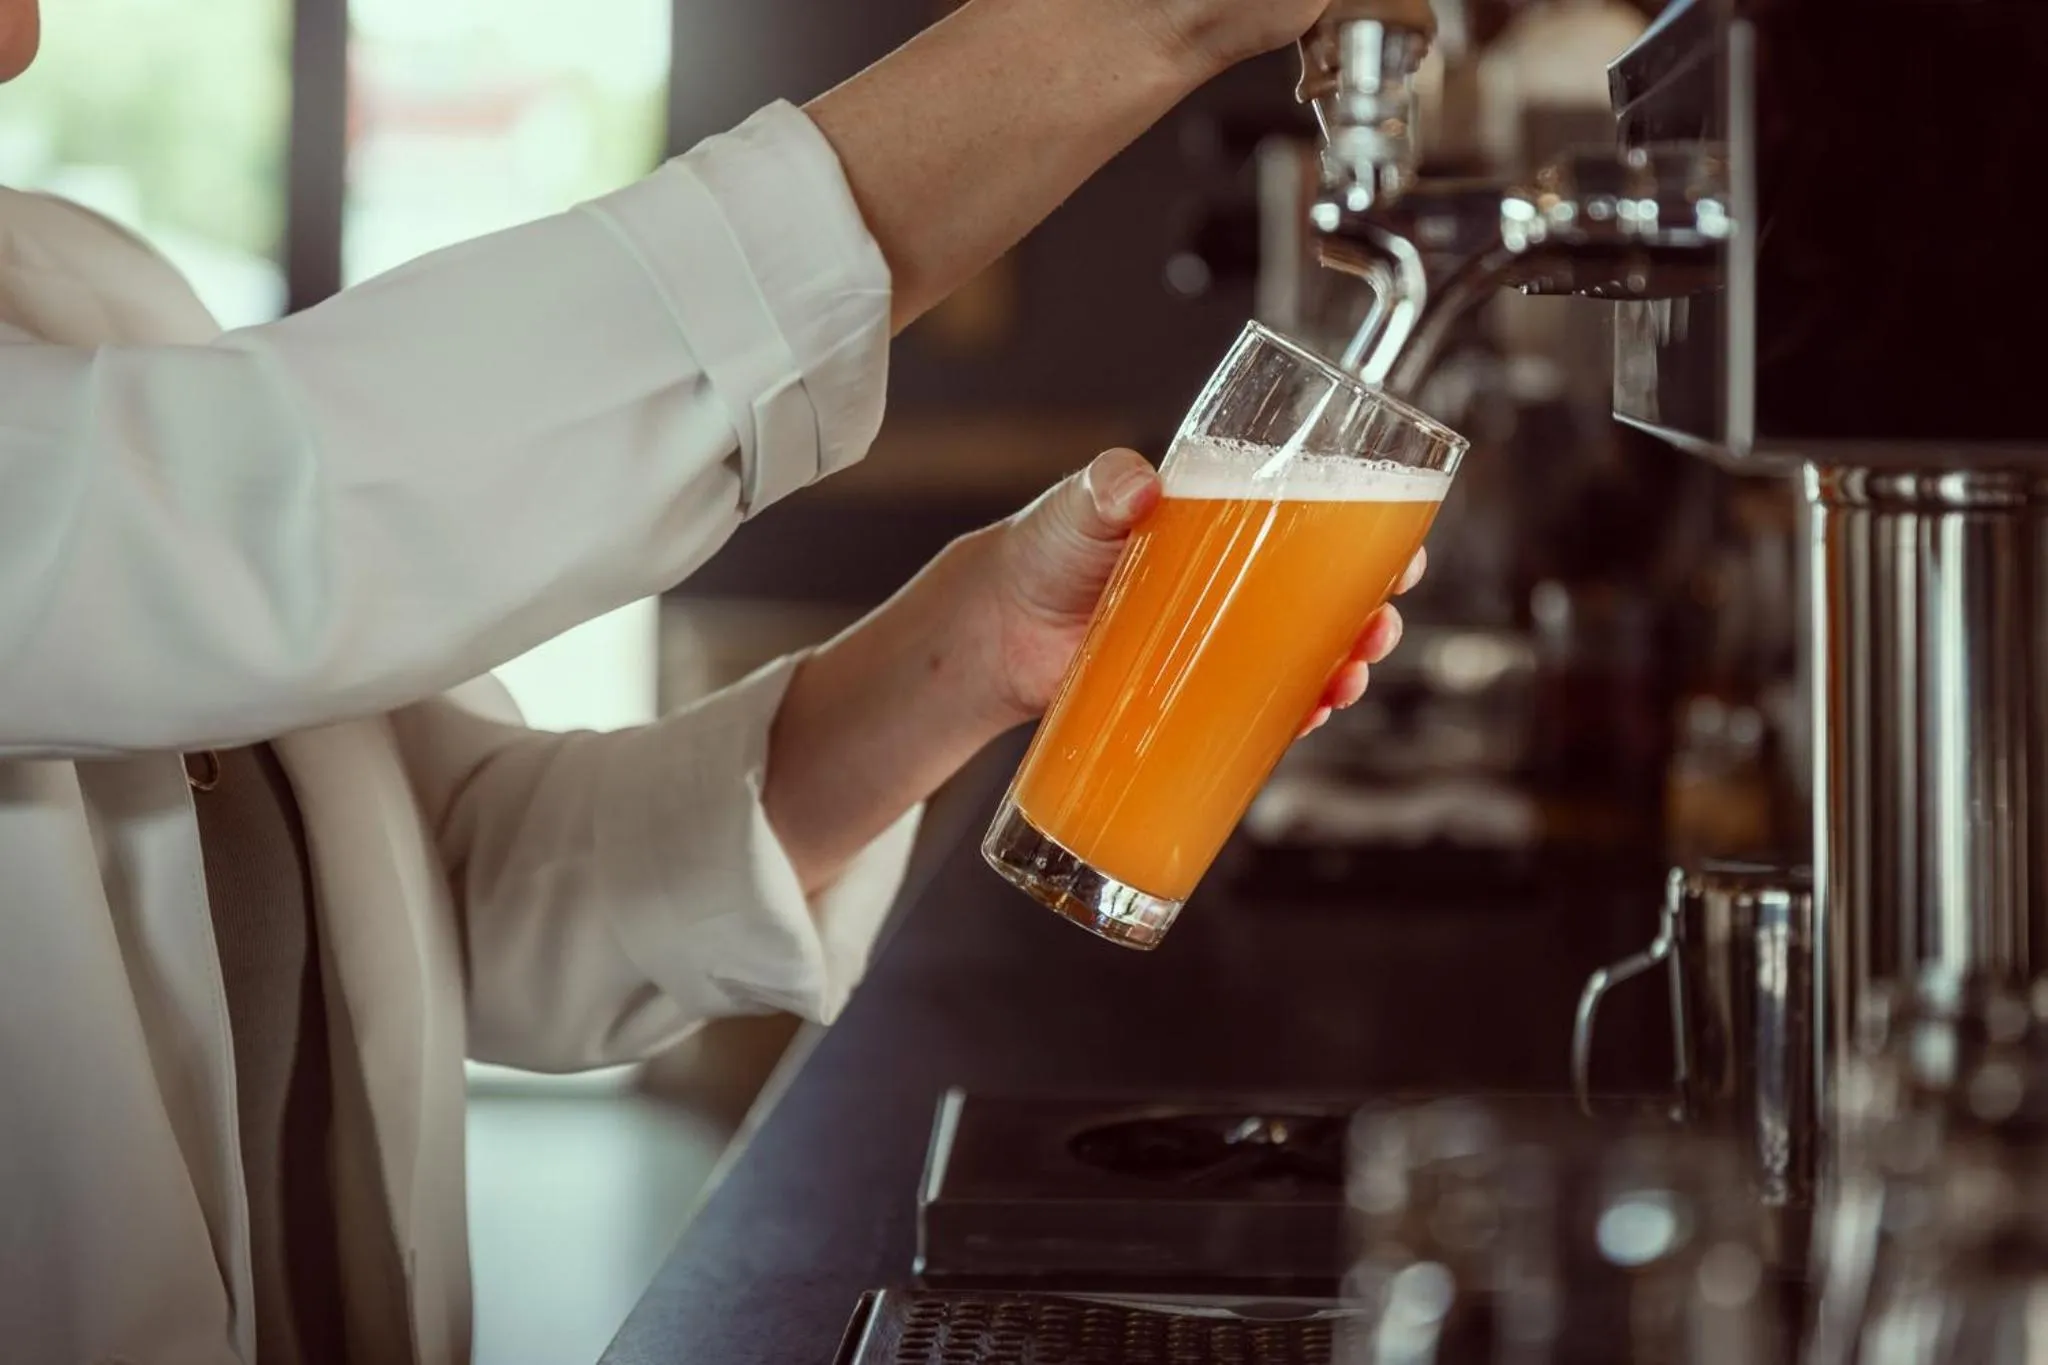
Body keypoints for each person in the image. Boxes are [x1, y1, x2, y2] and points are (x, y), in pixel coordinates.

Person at [0, 0, 1422, 1360]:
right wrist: (1141, 25)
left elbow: (474, 890)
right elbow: (287, 507)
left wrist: (978, 643)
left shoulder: (95, 284)